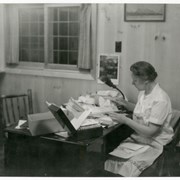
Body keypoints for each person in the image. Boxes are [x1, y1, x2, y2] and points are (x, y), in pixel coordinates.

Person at [104, 61, 174, 176]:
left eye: (135, 80)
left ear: (146, 80)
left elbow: (150, 132)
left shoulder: (160, 99)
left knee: (127, 167)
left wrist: (126, 120)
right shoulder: (144, 92)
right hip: (140, 137)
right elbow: (144, 111)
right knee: (111, 160)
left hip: (154, 142)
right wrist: (125, 103)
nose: (132, 83)